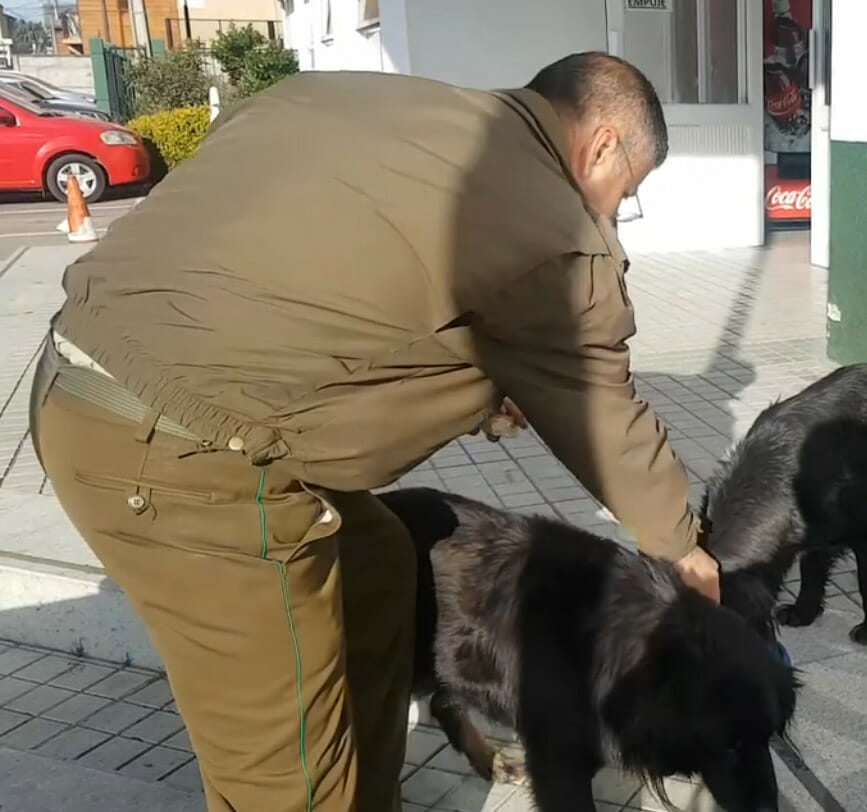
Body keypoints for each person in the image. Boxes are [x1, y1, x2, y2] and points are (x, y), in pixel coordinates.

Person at [28, 52, 719, 811]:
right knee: (289, 779)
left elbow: (322, 293)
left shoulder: (372, 106)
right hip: (187, 462)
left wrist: (477, 393)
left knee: (377, 558)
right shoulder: (555, 227)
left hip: (84, 384)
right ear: (603, 146)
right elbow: (600, 406)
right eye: (628, 196)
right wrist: (683, 549)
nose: (615, 216)